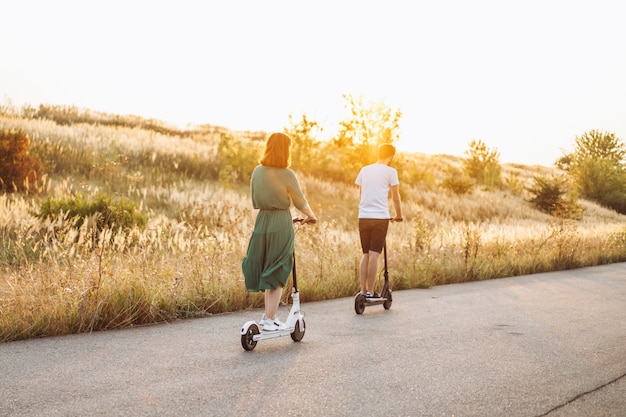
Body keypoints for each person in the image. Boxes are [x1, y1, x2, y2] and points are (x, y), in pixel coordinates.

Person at [242, 132, 317, 331]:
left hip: (262, 222)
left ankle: (270, 316)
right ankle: (269, 319)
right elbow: (299, 200)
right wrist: (312, 216)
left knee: (268, 266)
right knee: (278, 268)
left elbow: (256, 198)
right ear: (285, 150)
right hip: (280, 222)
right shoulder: (287, 173)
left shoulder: (257, 171)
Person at [355, 143, 403, 298]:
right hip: (380, 217)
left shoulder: (365, 170)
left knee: (365, 254)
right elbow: (395, 197)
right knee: (374, 254)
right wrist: (399, 215)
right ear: (391, 156)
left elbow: (361, 194)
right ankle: (370, 291)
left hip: (363, 216)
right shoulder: (391, 171)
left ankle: (363, 291)